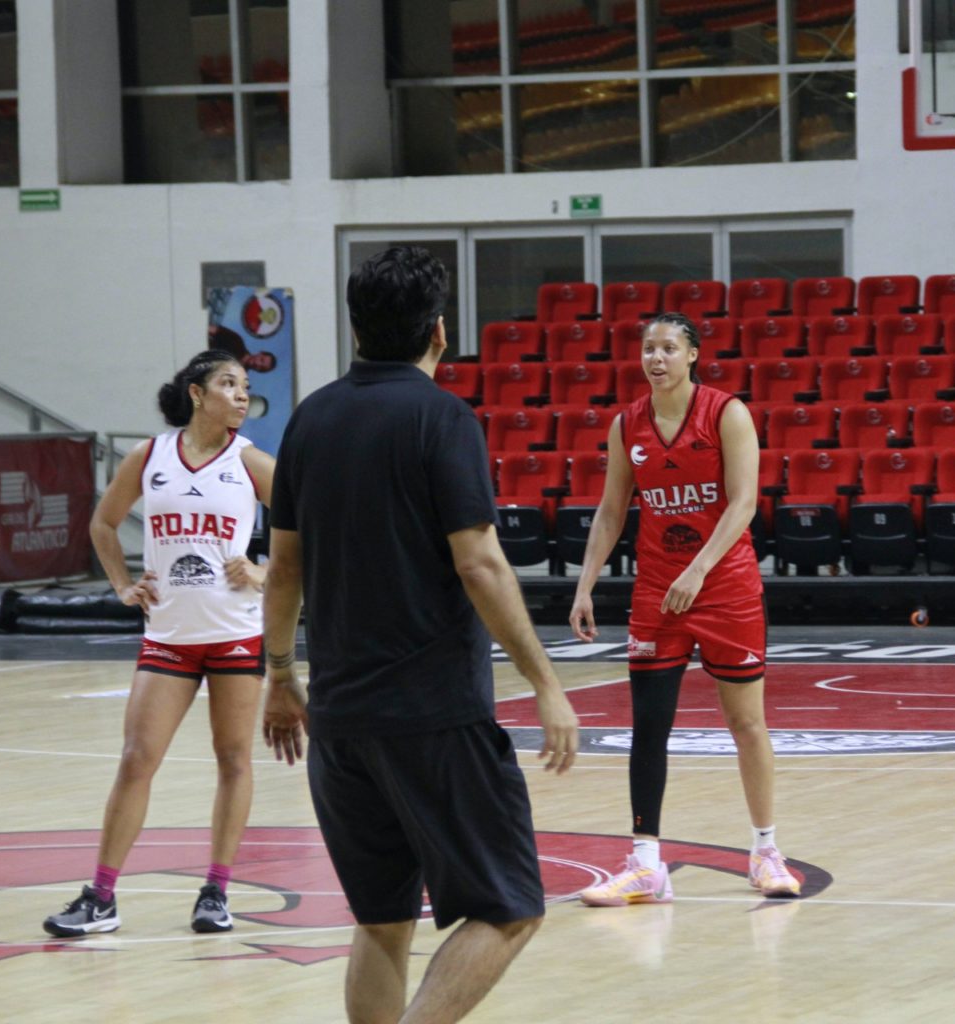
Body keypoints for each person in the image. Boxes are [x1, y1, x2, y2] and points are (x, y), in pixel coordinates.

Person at [261, 245, 579, 1024]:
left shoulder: (309, 420)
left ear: (355, 327)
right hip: (433, 715)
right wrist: (546, 683)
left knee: (381, 919)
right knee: (511, 906)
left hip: (340, 720)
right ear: (439, 331)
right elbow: (481, 564)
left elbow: (284, 568)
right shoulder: (443, 418)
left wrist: (280, 675)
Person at [569, 312, 800, 907]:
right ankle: (646, 865)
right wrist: (585, 585)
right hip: (658, 591)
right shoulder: (627, 424)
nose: (656, 358)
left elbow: (744, 503)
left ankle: (766, 851)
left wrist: (697, 569)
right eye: (648, 348)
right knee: (649, 726)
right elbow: (611, 511)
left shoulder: (727, 413)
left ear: (693, 354)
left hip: (725, 587)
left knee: (746, 724)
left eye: (669, 348)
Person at [42, 350, 275, 937]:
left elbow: (320, 524)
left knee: (233, 760)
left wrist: (265, 571)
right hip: (169, 636)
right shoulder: (150, 456)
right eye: (229, 384)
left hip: (235, 634)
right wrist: (122, 584)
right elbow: (103, 523)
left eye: (246, 386)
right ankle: (101, 897)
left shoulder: (250, 461)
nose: (242, 396)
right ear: (197, 393)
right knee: (136, 760)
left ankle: (216, 891)